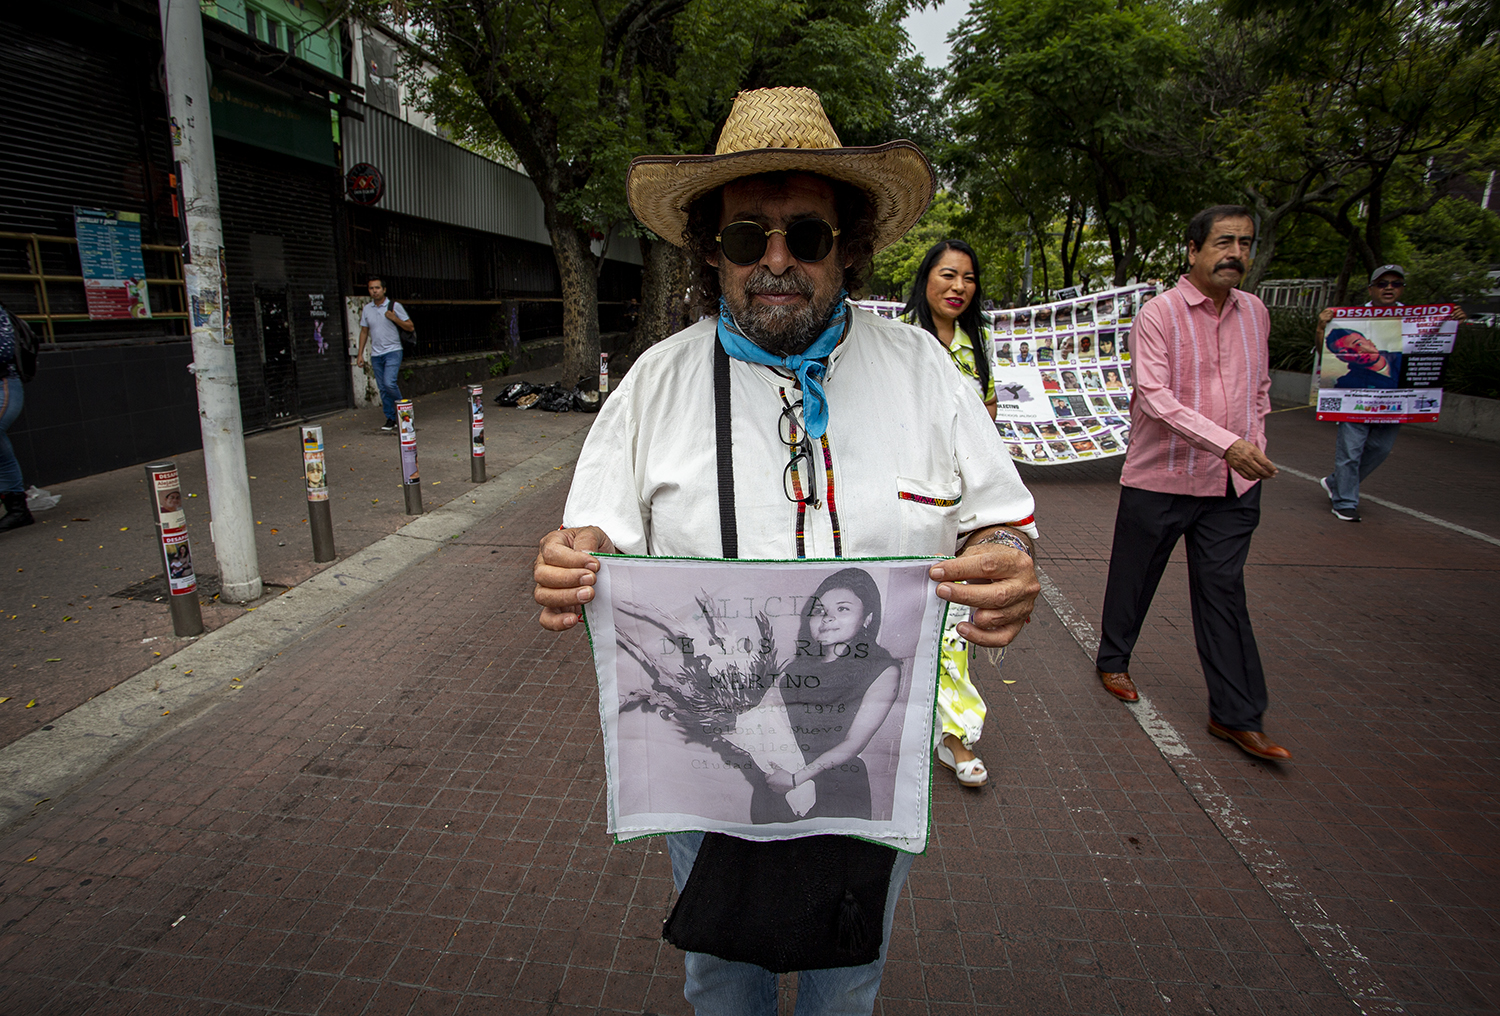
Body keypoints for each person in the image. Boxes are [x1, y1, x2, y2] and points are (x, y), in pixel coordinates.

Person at [532, 86, 1040, 1015]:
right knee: (720, 972)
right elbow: (590, 533)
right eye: (744, 238)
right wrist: (570, 558)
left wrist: (1007, 561)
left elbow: (997, 520)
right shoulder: (656, 383)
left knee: (851, 974)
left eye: (804, 236)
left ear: (847, 245)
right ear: (709, 252)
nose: (775, 261)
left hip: (870, 762)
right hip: (715, 774)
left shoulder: (926, 371)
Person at [1093, 205, 1291, 763]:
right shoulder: (1159, 314)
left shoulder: (1255, 313)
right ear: (1193, 250)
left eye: (1245, 243)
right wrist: (1228, 443)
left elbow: (1259, 387)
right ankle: (1113, 659)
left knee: (1224, 593)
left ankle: (1236, 716)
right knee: (1135, 577)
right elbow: (1155, 398)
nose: (1236, 254)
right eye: (1224, 242)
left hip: (1233, 488)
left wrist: (1253, 443)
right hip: (1162, 477)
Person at [899, 240, 1005, 788]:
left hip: (960, 511)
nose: (958, 287)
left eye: (968, 278)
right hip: (904, 506)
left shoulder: (977, 345)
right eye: (947, 275)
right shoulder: (897, 343)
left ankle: (954, 736)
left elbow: (985, 427)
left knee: (951, 624)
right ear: (926, 281)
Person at [1315, 264, 1466, 522]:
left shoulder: (1415, 319)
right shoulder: (1350, 320)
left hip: (1396, 404)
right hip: (1357, 403)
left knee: (1380, 449)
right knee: (1350, 451)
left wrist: (1452, 323)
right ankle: (1345, 503)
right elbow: (1324, 355)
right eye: (1382, 283)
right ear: (1371, 288)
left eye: (1395, 283)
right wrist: (1320, 329)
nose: (1388, 288)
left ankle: (1335, 482)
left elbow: (1434, 349)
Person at [752, 569, 901, 822]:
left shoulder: (882, 670)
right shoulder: (794, 669)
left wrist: (795, 779)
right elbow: (762, 719)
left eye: (842, 609)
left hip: (834, 789)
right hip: (777, 784)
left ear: (867, 618)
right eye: (819, 610)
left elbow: (854, 743)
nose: (827, 618)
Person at [355, 276, 414, 432]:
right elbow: (364, 332)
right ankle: (391, 418)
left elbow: (410, 327)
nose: (374, 291)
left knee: (389, 383)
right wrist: (360, 354)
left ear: (384, 290)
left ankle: (404, 412)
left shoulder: (394, 306)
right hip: (376, 354)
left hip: (393, 351)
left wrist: (394, 318)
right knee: (382, 387)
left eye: (377, 288)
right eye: (371, 288)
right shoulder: (367, 309)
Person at [0, 303, 36, 532]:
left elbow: (4, 350)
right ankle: (17, 509)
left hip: (3, 383)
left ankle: (18, 509)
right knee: (1, 448)